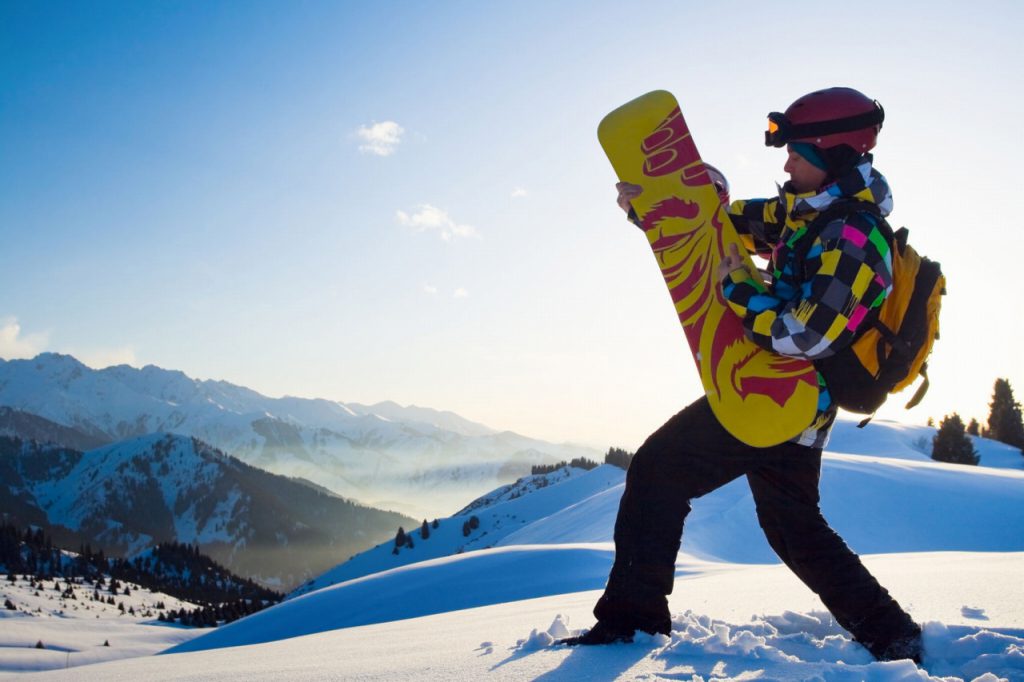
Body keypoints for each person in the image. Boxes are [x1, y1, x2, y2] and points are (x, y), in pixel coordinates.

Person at [572, 87, 923, 664]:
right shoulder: (804, 212)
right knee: (793, 527)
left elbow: (807, 333)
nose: (786, 163)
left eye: (797, 152)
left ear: (834, 156)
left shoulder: (855, 236)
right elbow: (715, 227)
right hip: (784, 396)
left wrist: (737, 288)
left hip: (784, 393)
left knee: (660, 471)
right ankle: (894, 635)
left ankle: (630, 625)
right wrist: (654, 204)